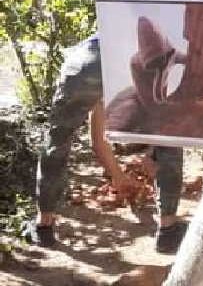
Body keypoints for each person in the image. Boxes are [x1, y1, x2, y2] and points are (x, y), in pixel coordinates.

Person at [24, 35, 187, 254]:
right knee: (169, 139)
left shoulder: (95, 54)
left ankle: (43, 225)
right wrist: (150, 154)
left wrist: (118, 176)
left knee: (58, 140)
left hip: (82, 66)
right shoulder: (148, 57)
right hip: (134, 61)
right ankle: (168, 229)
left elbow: (98, 140)